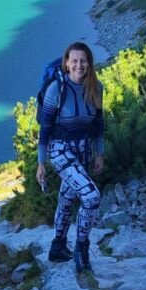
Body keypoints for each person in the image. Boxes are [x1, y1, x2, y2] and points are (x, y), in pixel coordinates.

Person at [36, 41, 104, 272]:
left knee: (67, 198)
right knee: (91, 197)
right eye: (74, 61)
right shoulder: (56, 89)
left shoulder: (96, 88)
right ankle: (81, 248)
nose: (79, 65)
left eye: (83, 61)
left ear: (89, 63)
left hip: (83, 150)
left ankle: (57, 247)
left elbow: (98, 125)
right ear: (66, 63)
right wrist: (41, 163)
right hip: (59, 149)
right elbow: (45, 128)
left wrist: (100, 154)